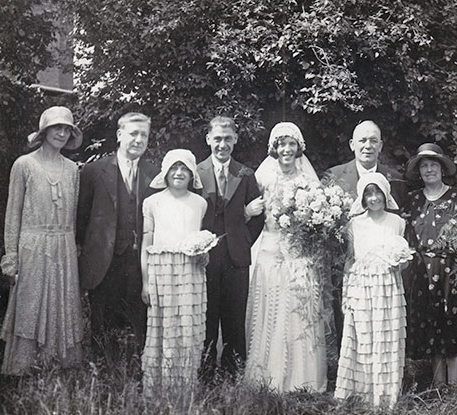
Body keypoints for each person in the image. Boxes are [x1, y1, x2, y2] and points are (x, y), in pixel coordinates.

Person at [0, 106, 84, 375]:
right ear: (44, 131)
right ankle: (26, 371)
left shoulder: (72, 169)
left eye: (67, 128)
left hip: (63, 246)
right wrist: (11, 257)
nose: (62, 132)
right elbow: (12, 215)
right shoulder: (24, 165)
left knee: (62, 303)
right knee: (31, 304)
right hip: (32, 246)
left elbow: (73, 216)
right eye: (56, 127)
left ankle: (57, 367)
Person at [244, 122, 327, 392]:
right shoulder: (262, 177)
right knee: (270, 311)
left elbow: (318, 222)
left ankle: (301, 380)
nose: (286, 149)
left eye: (291, 144)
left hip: (298, 254)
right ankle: (266, 377)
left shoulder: (308, 181)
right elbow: (246, 211)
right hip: (269, 251)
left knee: (297, 313)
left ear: (299, 147)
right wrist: (248, 210)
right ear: (274, 148)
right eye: (281, 144)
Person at [322, 120, 408, 354]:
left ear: (381, 145)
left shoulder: (395, 178)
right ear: (352, 144)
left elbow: (400, 224)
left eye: (373, 140)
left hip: (385, 274)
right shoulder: (334, 176)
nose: (367, 145)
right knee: (349, 322)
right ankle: (349, 367)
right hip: (347, 266)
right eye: (362, 140)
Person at [77, 112, 158, 357]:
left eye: (144, 134)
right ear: (119, 135)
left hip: (139, 262)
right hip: (104, 260)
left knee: (138, 322)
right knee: (102, 324)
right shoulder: (93, 171)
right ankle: (101, 376)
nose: (139, 139)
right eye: (134, 133)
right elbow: (81, 218)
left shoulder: (155, 174)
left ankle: (135, 376)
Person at [197, 116, 265, 377]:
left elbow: (258, 216)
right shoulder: (196, 172)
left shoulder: (246, 174)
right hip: (204, 259)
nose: (222, 145)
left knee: (234, 320)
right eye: (217, 139)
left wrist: (243, 241)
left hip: (236, 258)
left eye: (227, 139)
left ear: (235, 139)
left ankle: (232, 376)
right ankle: (204, 374)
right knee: (207, 318)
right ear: (208, 139)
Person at [334, 172, 409, 407]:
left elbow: (405, 260)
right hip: (362, 286)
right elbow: (349, 260)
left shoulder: (398, 222)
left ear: (386, 194)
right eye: (368, 194)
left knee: (386, 339)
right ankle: (362, 395)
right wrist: (346, 294)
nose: (374, 198)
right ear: (362, 197)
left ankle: (385, 397)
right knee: (363, 340)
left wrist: (400, 260)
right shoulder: (354, 224)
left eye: (377, 192)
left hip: (388, 288)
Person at [140, 149, 209, 395]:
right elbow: (147, 245)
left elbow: (197, 239)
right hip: (161, 272)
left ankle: (184, 387)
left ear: (192, 174)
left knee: (186, 329)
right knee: (163, 329)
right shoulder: (152, 202)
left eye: (184, 169)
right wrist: (146, 282)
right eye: (173, 168)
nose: (178, 173)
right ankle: (159, 387)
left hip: (190, 272)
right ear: (165, 172)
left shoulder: (200, 203)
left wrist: (203, 253)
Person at [403, 143, 457, 387]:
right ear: (419, 172)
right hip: (422, 270)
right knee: (430, 322)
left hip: (452, 270)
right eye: (424, 166)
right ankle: (438, 385)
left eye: (434, 165)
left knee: (452, 322)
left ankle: (455, 384)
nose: (429, 170)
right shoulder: (412, 200)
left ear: (442, 169)